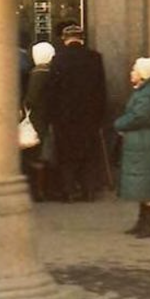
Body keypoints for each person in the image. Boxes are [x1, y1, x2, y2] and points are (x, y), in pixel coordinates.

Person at [47, 25, 108, 202]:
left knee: (66, 156)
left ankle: (69, 191)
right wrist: (100, 115)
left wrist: (53, 116)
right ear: (82, 38)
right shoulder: (95, 58)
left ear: (66, 39)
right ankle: (89, 191)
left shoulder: (58, 59)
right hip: (89, 116)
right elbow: (101, 89)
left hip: (65, 118)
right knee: (89, 155)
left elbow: (52, 91)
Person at [118, 58, 150, 239]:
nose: (131, 73)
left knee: (147, 183)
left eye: (134, 71)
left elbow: (139, 117)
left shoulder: (145, 95)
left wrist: (119, 124)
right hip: (144, 140)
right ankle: (143, 221)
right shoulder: (145, 91)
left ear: (143, 75)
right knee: (144, 182)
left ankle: (149, 225)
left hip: (144, 141)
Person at [24, 42, 56, 202]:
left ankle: (38, 191)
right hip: (49, 117)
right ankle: (48, 189)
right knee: (47, 154)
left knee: (37, 156)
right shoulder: (53, 72)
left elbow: (31, 98)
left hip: (38, 118)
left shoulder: (38, 73)